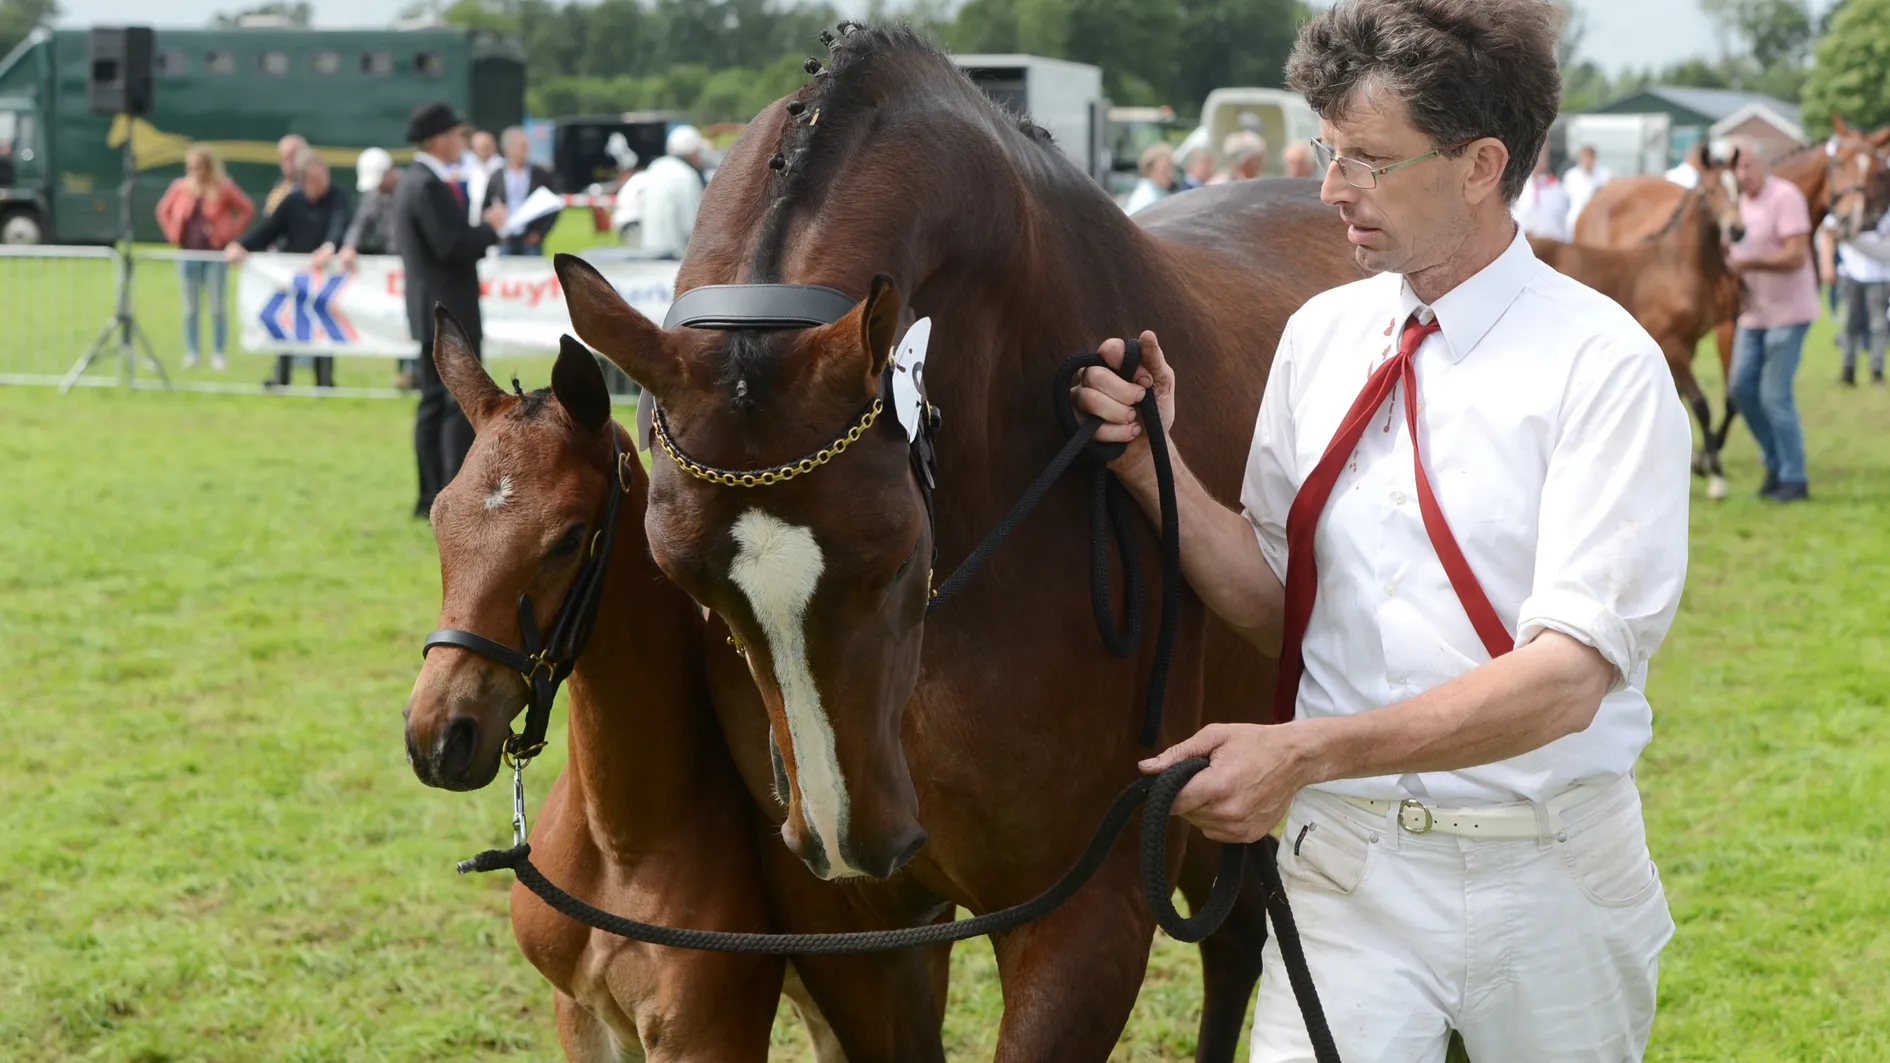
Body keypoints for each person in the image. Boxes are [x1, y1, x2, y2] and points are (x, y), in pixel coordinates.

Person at [1071, 0, 1688, 1058]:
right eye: (1328, 150)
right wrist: (1150, 464)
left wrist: (1303, 750)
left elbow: (1566, 678)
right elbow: (1282, 605)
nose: (1329, 188)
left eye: (1368, 159)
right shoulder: (1320, 336)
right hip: (1346, 873)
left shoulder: (1605, 364)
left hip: (1549, 881)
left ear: (1481, 165)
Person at [394, 101, 509, 518]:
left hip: (431, 309)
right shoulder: (428, 185)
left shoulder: (415, 181)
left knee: (433, 403)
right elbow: (451, 246)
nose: (463, 142)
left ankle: (430, 496)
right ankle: (448, 494)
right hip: (449, 312)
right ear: (440, 139)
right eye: (458, 135)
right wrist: (490, 229)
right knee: (455, 406)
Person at [1727, 140, 1818, 501]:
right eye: (1736, 167)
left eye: (1747, 164)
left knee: (1774, 395)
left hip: (1789, 313)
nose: (1741, 173)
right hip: (1754, 314)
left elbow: (1796, 256)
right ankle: (1776, 461)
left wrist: (1748, 264)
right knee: (1741, 389)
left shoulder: (1785, 197)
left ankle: (1794, 478)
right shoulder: (1735, 205)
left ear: (1763, 164)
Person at [227, 147, 351, 389]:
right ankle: (281, 378)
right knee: (285, 323)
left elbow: (340, 224)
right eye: (315, 179)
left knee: (323, 326)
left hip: (323, 277)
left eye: (323, 177)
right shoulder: (292, 201)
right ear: (304, 181)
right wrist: (241, 246)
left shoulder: (338, 197)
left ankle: (324, 381)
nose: (322, 183)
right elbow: (269, 229)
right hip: (293, 276)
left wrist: (329, 247)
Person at [155, 144, 254, 371]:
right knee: (190, 308)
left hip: (214, 255)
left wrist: (231, 232)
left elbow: (246, 209)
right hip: (188, 253)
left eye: (198, 166)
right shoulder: (181, 188)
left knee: (217, 307)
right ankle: (192, 352)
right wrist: (172, 233)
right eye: (190, 167)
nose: (194, 171)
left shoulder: (223, 188)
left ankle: (219, 353)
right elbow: (163, 210)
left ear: (208, 167)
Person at [1826, 212, 1890, 386]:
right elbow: (1829, 230)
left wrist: (1851, 239)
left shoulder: (1885, 210)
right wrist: (1827, 264)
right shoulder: (1849, 206)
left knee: (1878, 325)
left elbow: (1885, 252)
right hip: (1851, 273)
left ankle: (1877, 371)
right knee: (1850, 324)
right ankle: (1848, 370)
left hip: (1880, 276)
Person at [485, 126, 559, 256]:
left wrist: (540, 233)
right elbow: (486, 207)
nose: (526, 150)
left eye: (526, 146)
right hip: (505, 240)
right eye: (521, 146)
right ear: (508, 149)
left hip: (530, 240)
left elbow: (553, 206)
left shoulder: (540, 174)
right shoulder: (497, 176)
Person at [639, 124, 709, 259]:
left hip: (649, 250)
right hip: (674, 256)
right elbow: (691, 225)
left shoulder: (656, 167)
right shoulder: (687, 175)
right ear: (692, 152)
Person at [1512, 141, 1569, 239]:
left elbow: (1563, 219)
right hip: (1525, 241)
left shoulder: (1556, 186)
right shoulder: (1516, 186)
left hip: (1553, 242)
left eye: (1543, 154)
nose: (1539, 159)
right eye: (1536, 154)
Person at [1561, 144, 1610, 233]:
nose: (1587, 160)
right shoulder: (1571, 175)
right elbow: (1565, 200)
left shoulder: (1605, 176)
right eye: (1585, 157)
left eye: (1590, 157)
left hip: (1596, 221)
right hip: (1575, 221)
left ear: (1595, 159)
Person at [1124, 142, 1175, 215]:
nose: (1170, 174)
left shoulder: (1157, 193)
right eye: (1165, 169)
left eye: (1172, 168)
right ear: (1150, 169)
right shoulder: (1147, 198)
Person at [264, 134, 307, 217]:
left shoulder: (314, 189)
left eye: (290, 157)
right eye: (283, 158)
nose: (284, 162)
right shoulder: (278, 192)